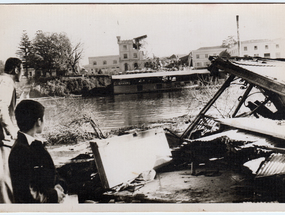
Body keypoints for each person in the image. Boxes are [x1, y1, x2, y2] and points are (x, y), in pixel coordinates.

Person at [9, 100, 66, 203]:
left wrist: (58, 185)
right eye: (44, 118)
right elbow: (26, 194)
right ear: (39, 121)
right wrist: (53, 195)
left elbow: (49, 173)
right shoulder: (21, 150)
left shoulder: (32, 144)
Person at [0, 57, 22, 203]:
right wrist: (13, 133)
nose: (22, 73)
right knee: (4, 177)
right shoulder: (6, 82)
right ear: (16, 69)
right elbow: (1, 109)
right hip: (3, 137)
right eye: (22, 69)